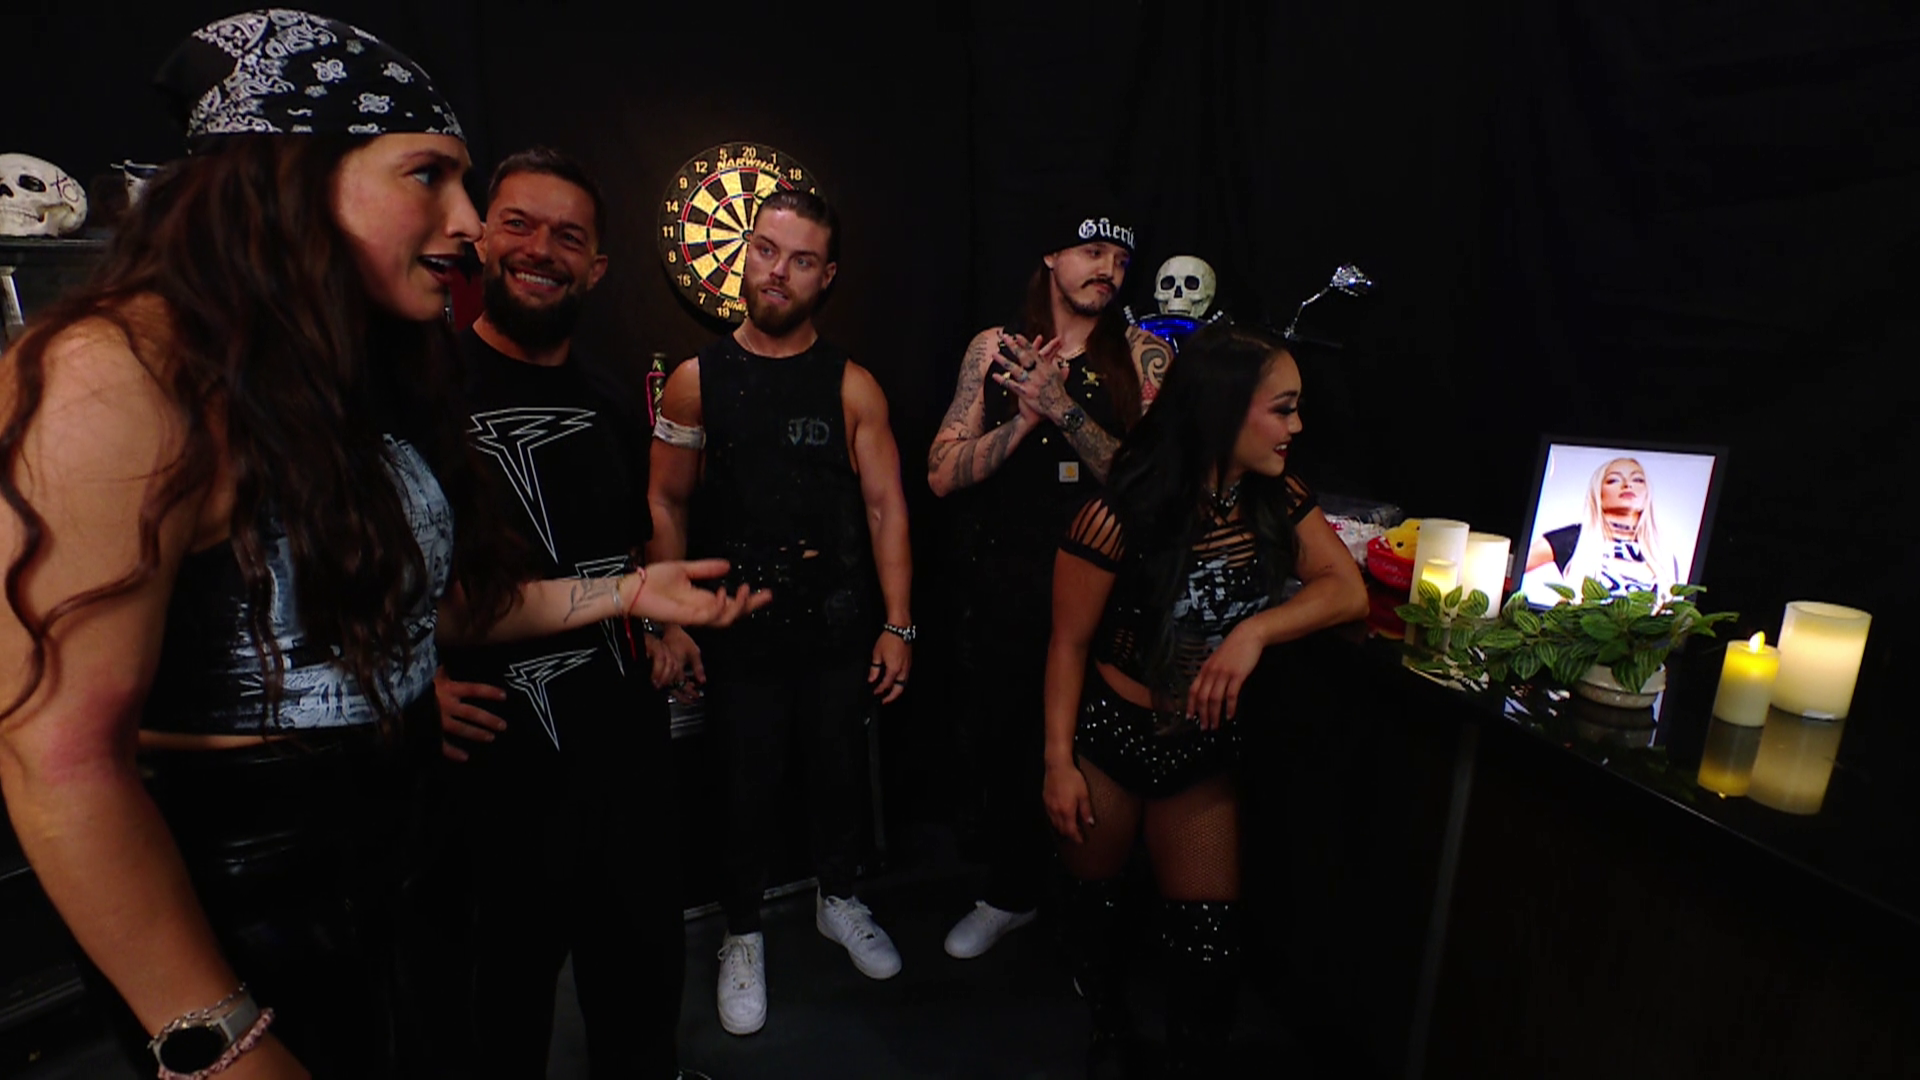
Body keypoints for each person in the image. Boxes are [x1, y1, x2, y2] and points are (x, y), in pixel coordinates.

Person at [0, 12, 762, 1079]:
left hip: (412, 878)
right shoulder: (111, 372)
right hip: (265, 914)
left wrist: (634, 593)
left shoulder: (340, 376)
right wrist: (217, 1038)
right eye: (428, 175)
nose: (466, 222)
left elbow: (428, 612)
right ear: (293, 177)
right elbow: (58, 758)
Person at [431, 147, 708, 1079]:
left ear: (596, 267)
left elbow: (625, 551)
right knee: (496, 1013)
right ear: (479, 238)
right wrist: (408, 684)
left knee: (640, 990)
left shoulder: (610, 397)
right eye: (518, 223)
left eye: (568, 236)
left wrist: (664, 626)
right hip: (492, 773)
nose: (540, 250)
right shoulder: (421, 392)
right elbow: (361, 581)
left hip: (622, 755)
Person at [1041, 321, 1367, 1076]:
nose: (1296, 427)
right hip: (1114, 740)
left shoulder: (1274, 496)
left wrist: (1254, 632)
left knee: (1209, 952)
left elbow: (1345, 590)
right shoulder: (1118, 512)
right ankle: (1109, 1032)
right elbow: (1067, 645)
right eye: (1282, 409)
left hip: (1199, 749)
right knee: (1098, 917)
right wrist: (1057, 762)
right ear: (1224, 409)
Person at [646, 189, 913, 1037]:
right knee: (742, 790)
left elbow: (886, 508)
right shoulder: (695, 382)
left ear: (825, 276)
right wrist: (671, 621)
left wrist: (898, 623)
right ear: (746, 253)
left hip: (837, 628)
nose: (777, 271)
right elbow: (664, 502)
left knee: (839, 775)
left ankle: (840, 900)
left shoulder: (852, 384)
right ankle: (743, 933)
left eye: (800, 260)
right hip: (737, 635)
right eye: (766, 250)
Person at [926, 206, 1171, 960]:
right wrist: (1022, 422)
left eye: (1120, 260)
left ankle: (1094, 917)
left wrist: (1061, 408)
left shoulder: (1147, 356)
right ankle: (1011, 895)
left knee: (1102, 759)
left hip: (1111, 599)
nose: (1108, 270)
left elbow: (1155, 488)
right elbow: (940, 472)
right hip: (1008, 590)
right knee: (1007, 748)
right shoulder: (995, 349)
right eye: (1092, 252)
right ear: (1051, 258)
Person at [1522, 456, 1680, 603]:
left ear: (1647, 492)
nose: (1627, 485)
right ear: (1598, 491)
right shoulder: (1575, 538)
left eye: (1638, 480)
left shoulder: (1661, 553)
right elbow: (1514, 566)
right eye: (1614, 480)